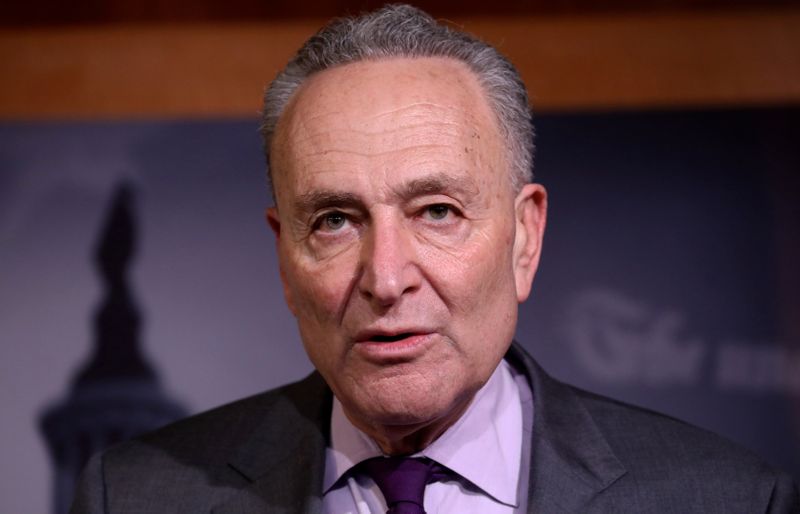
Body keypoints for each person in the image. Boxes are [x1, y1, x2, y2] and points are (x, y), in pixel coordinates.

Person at [70, 4, 799, 513]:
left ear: (526, 237)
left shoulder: (730, 500)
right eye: (334, 220)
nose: (386, 278)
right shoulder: (131, 498)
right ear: (284, 257)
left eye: (437, 212)